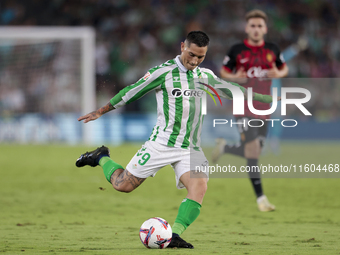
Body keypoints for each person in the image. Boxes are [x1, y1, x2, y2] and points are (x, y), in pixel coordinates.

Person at [76, 31, 274, 248]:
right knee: (122, 185)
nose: (195, 60)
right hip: (161, 143)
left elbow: (233, 90)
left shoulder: (205, 76)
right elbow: (132, 91)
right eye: (191, 54)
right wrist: (100, 111)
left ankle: (174, 235)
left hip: (191, 147)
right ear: (182, 47)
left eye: (201, 57)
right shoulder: (163, 73)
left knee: (199, 187)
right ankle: (101, 157)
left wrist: (267, 99)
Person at [212, 10, 289, 212]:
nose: (256, 29)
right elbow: (223, 72)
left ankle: (225, 148)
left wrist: (278, 72)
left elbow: (284, 68)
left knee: (255, 150)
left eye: (259, 26)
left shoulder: (273, 49)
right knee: (253, 149)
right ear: (247, 28)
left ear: (265, 29)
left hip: (265, 107)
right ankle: (261, 199)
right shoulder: (237, 50)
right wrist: (236, 77)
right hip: (243, 106)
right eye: (252, 26)